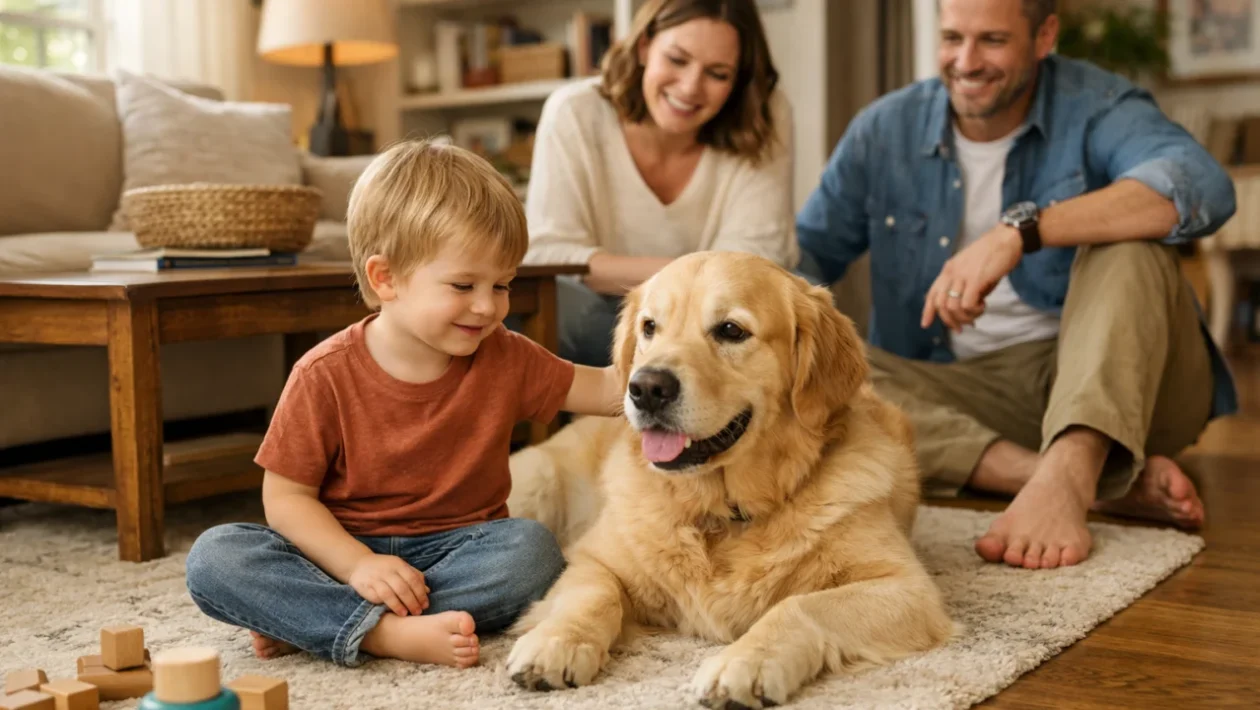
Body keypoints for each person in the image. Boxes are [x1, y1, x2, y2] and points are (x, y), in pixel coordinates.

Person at [796, 0, 1237, 570]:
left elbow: (1201, 185)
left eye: (993, 41)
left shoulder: (1098, 105)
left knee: (1130, 243)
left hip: (1125, 380)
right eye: (953, 37)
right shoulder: (885, 129)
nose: (966, 61)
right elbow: (802, 266)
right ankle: (1061, 478)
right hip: (972, 393)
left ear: (1045, 35)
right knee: (825, 382)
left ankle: (1079, 458)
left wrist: (1020, 233)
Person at [184, 140, 624, 669]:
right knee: (215, 558)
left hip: (457, 551)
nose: (488, 307)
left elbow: (603, 390)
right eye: (464, 285)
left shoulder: (506, 355)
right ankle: (383, 634)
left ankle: (317, 623)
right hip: (336, 553)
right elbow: (286, 500)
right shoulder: (323, 374)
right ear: (384, 278)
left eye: (503, 284)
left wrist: (684, 369)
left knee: (532, 552)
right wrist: (358, 567)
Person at [521, 0, 799, 367]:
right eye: (677, 60)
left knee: (800, 302)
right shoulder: (574, 112)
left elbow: (756, 260)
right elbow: (549, 255)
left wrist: (613, 268)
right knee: (562, 308)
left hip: (718, 319)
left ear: (740, 80)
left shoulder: (766, 113)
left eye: (718, 74)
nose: (689, 88)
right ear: (644, 46)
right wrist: (684, 279)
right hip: (604, 312)